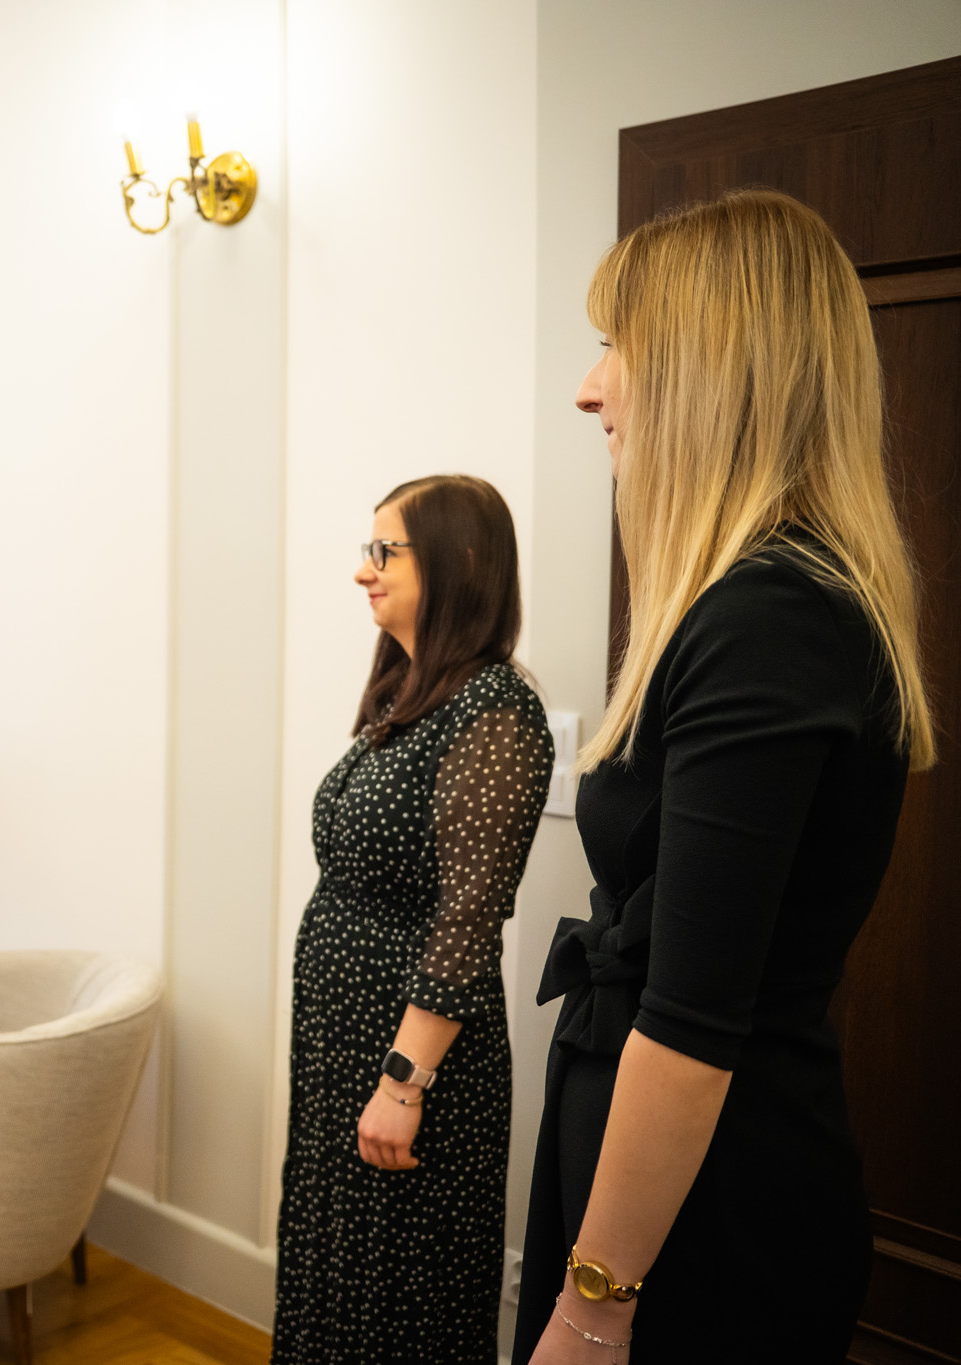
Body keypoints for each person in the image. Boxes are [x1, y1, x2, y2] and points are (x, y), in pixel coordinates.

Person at [514, 190, 934, 1364]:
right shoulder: (759, 601)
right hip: (663, 1196)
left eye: (616, 345)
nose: (588, 388)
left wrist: (591, 1310)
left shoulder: (769, 617)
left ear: (710, 372)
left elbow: (691, 1024)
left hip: (703, 1227)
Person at [273, 474, 553, 1364]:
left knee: (397, 1304)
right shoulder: (406, 690)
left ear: (459, 559)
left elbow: (468, 920)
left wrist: (402, 1082)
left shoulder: (495, 707)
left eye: (384, 550)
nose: (364, 570)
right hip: (342, 1046)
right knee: (334, 1284)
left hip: (413, 1065)